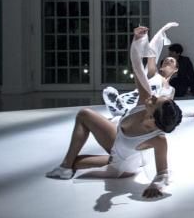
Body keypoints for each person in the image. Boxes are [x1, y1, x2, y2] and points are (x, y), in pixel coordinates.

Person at [46, 25, 183, 198]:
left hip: (119, 165)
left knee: (77, 161)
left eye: (155, 101)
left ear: (153, 118)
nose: (153, 97)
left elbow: (163, 173)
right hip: (117, 139)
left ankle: (69, 164)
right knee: (84, 114)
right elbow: (136, 65)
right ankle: (65, 168)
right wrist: (138, 39)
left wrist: (155, 186)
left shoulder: (158, 140)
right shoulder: (145, 99)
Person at [102, 22, 179, 118]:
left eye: (171, 61)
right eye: (166, 60)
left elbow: (171, 107)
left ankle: (123, 111)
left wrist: (184, 115)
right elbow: (153, 53)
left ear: (175, 69)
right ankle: (122, 108)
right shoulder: (154, 74)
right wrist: (161, 31)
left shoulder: (171, 90)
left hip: (150, 109)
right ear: (161, 67)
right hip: (137, 99)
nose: (168, 60)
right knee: (109, 91)